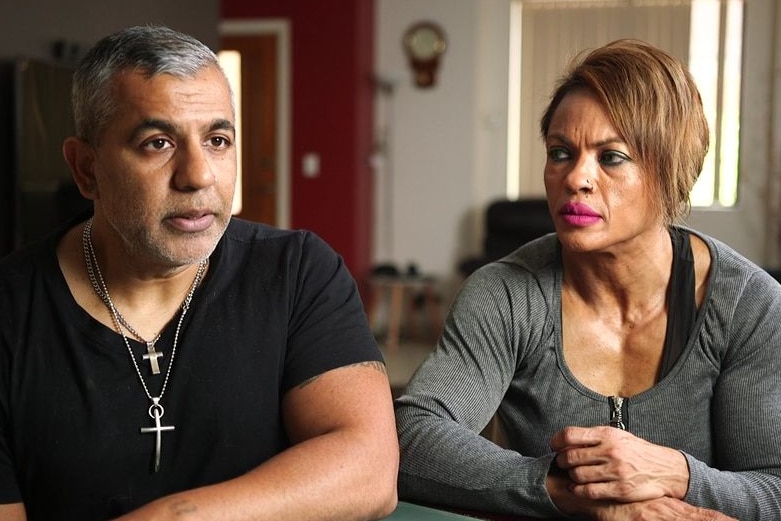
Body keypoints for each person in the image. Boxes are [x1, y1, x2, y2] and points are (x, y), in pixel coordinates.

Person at [0, 25, 398, 521]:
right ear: (86, 169)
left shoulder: (297, 272)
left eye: (217, 139)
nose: (199, 175)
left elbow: (370, 470)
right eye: (158, 142)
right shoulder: (11, 312)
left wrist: (177, 517)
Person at [395, 39, 781, 521]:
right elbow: (413, 435)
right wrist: (571, 492)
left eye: (611, 157)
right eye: (560, 152)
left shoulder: (749, 305)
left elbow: (774, 486)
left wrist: (677, 473)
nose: (576, 177)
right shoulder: (505, 294)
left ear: (672, 170)